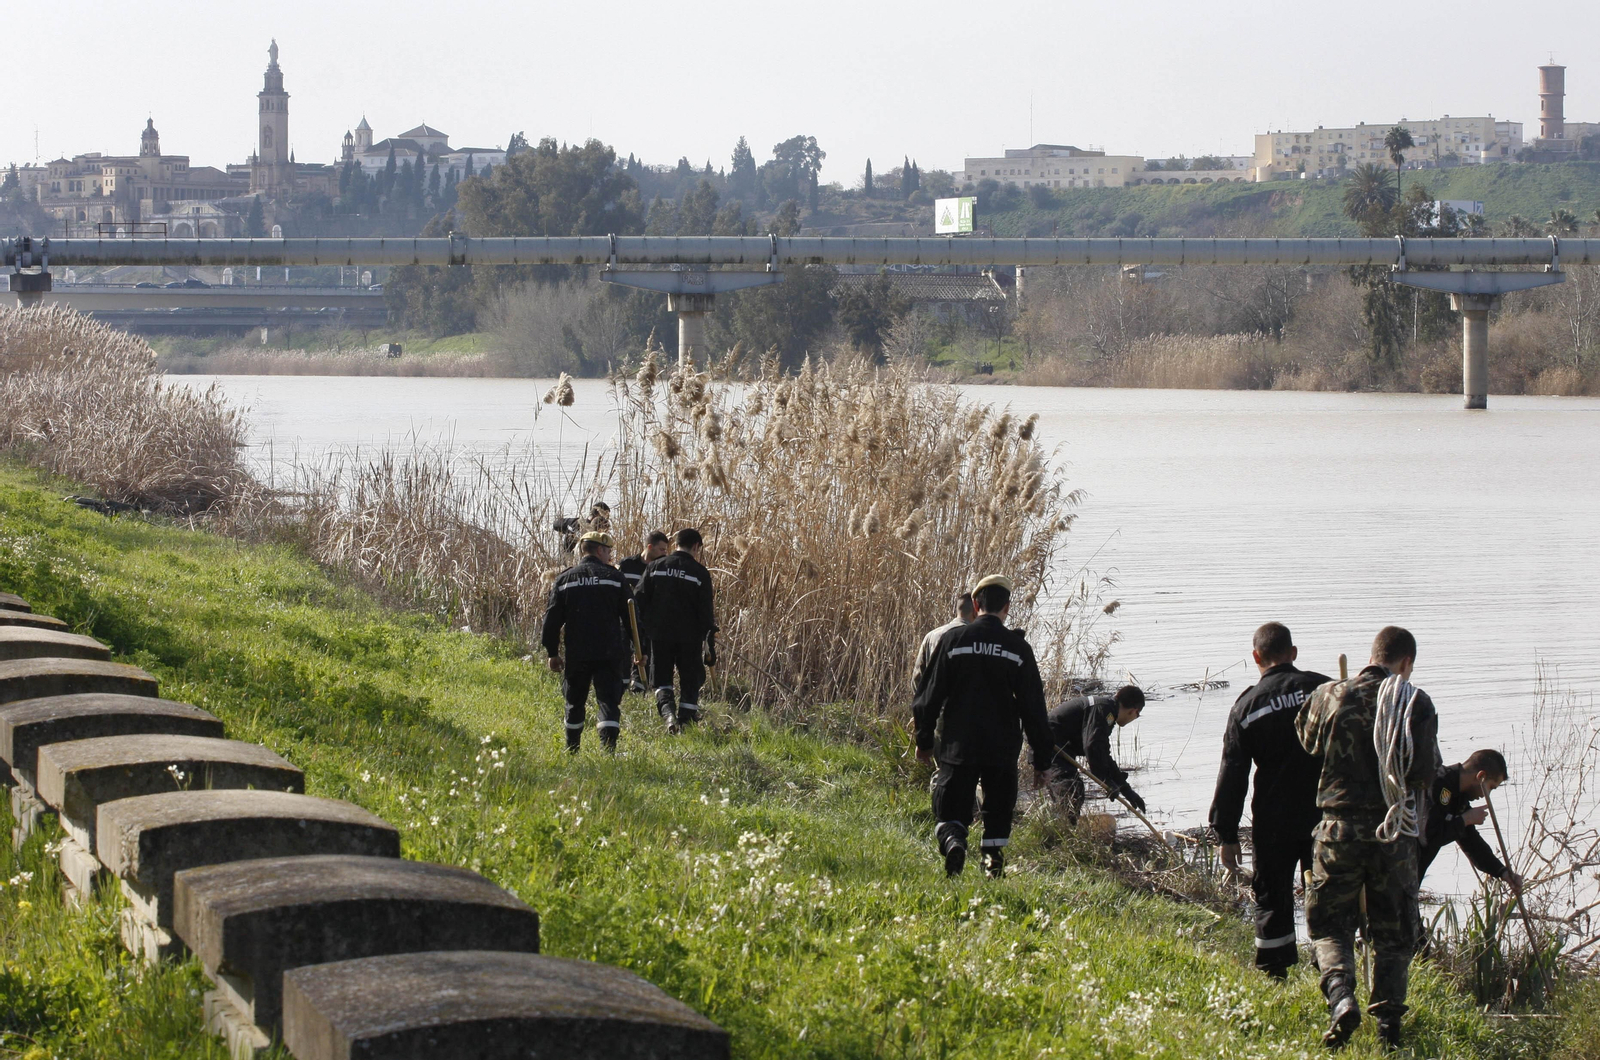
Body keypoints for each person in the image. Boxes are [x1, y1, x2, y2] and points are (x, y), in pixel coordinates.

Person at [1297, 625, 1439, 1051]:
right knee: (1394, 932)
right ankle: (1389, 1031)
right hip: (1391, 835)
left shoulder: (1328, 695)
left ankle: (1341, 998)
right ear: (1406, 663)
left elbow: (1306, 742)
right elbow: (1422, 774)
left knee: (1329, 926)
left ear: (1372, 654)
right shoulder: (1414, 702)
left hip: (1337, 830)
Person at [1209, 622, 1334, 979]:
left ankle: (1274, 973)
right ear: (1293, 653)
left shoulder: (1247, 707)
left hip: (1274, 819)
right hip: (1325, 814)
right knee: (1326, 894)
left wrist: (1227, 834)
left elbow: (1233, 773)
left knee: (1272, 896)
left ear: (1255, 657)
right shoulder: (1326, 689)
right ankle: (1331, 968)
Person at [912, 574, 1053, 879]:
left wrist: (924, 741)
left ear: (976, 605)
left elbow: (927, 697)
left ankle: (953, 842)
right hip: (1001, 748)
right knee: (998, 812)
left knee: (949, 808)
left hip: (958, 745)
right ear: (1007, 606)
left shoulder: (952, 642)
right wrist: (1042, 760)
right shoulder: (1018, 649)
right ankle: (992, 870)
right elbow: (1034, 709)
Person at [539, 531, 641, 754]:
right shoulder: (615, 579)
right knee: (608, 700)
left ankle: (572, 748)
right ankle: (608, 750)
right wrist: (639, 649)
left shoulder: (565, 580)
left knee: (574, 701)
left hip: (578, 652)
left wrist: (552, 653)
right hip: (609, 652)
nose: (610, 556)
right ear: (599, 550)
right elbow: (632, 617)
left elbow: (551, 620)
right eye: (608, 552)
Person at [634, 527, 717, 734]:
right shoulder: (700, 574)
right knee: (691, 678)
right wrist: (710, 643)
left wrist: (640, 636)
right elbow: (706, 613)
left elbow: (638, 602)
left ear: (675, 544)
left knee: (662, 679)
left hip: (659, 636)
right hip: (689, 638)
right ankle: (686, 721)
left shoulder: (655, 567)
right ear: (696, 546)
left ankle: (669, 717)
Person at [1420, 749, 1523, 890]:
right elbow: (1429, 837)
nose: (1487, 794)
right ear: (1480, 776)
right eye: (1491, 787)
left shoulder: (1458, 796)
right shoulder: (1437, 784)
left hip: (1410, 879)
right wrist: (1465, 820)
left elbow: (1472, 844)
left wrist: (1502, 872)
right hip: (1393, 873)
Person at [1046, 685, 1147, 821]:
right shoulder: (1103, 710)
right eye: (1138, 715)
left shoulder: (1107, 710)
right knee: (1071, 790)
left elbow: (1102, 753)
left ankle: (1061, 826)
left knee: (1072, 791)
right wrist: (1106, 781)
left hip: (1060, 748)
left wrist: (1126, 790)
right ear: (1133, 711)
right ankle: (1061, 832)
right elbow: (1092, 746)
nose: (1136, 717)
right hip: (1048, 745)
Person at [618, 531, 671, 693]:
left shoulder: (661, 567)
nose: (665, 553)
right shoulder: (627, 564)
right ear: (649, 547)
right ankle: (621, 686)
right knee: (623, 651)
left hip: (647, 620)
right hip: (625, 617)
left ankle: (639, 688)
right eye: (662, 549)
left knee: (643, 654)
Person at [912, 590, 975, 688]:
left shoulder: (931, 636)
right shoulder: (974, 637)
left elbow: (917, 677)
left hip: (934, 700)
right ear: (975, 612)